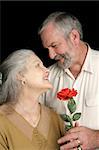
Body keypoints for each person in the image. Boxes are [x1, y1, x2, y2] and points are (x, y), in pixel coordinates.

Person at [38, 11, 99, 149]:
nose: (50, 55)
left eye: (54, 46)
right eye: (47, 49)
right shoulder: (46, 77)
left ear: (74, 37)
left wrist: (96, 138)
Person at [0, 49, 65, 150]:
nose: (47, 70)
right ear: (20, 75)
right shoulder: (2, 120)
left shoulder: (55, 118)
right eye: (37, 65)